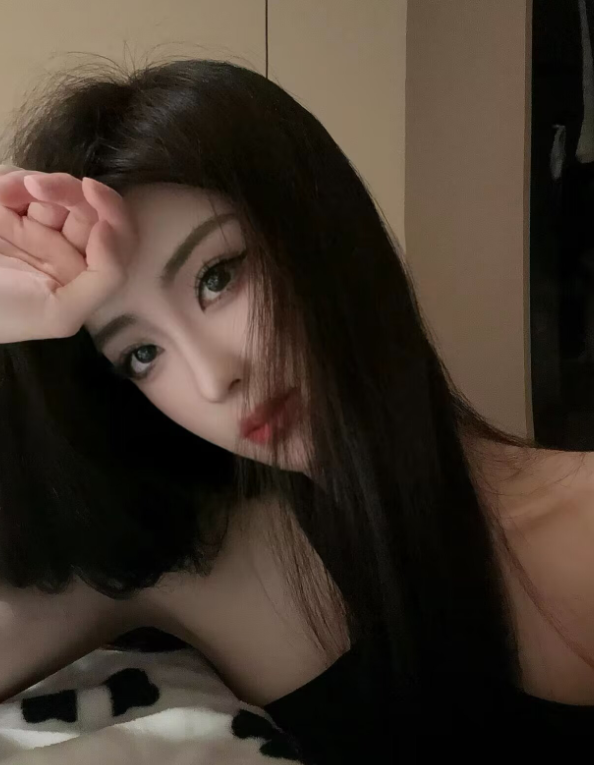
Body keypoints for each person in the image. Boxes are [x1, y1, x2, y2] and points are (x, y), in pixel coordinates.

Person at [1, 58, 594, 761]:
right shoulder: (202, 562)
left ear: (322, 229)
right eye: (141, 353)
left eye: (217, 277)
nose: (213, 379)